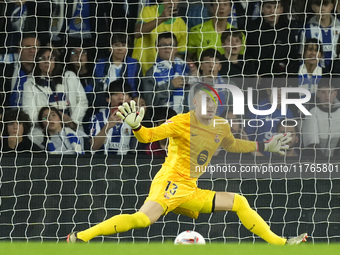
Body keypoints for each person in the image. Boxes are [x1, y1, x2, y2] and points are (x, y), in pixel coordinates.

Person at [67, 82, 307, 245]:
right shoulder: (180, 122)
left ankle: (282, 243)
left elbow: (232, 145)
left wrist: (265, 146)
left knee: (239, 202)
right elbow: (148, 137)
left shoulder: (221, 125)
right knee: (141, 220)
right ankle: (80, 237)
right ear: (194, 103)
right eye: (205, 100)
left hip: (190, 188)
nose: (210, 105)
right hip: (170, 181)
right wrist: (136, 126)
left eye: (214, 101)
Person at [22, 47, 88, 131]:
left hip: (71, 127)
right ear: (37, 62)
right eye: (42, 58)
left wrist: (72, 121)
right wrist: (51, 120)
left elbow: (82, 101)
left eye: (50, 58)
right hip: (44, 130)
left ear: (55, 60)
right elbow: (29, 112)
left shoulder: (69, 76)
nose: (47, 62)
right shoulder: (30, 83)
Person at [132, 0, 187, 74]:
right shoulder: (148, 11)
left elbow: (178, 54)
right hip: (140, 69)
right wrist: (161, 18)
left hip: (165, 75)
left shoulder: (181, 24)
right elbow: (137, 33)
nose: (171, 1)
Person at [245, 0, 299, 75]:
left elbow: (293, 58)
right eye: (268, 7)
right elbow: (246, 56)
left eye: (276, 7)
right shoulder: (251, 29)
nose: (272, 11)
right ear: (262, 9)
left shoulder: (287, 30)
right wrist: (253, 74)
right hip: (257, 78)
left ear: (281, 10)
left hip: (281, 79)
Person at [142, 32, 189, 114]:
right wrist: (171, 85)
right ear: (157, 49)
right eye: (163, 45)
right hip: (161, 118)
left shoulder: (187, 68)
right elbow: (149, 101)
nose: (167, 48)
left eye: (171, 45)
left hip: (185, 118)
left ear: (176, 48)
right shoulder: (151, 72)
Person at [95, 33, 142, 108]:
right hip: (104, 103)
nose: (120, 49)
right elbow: (95, 87)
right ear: (110, 48)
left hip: (128, 103)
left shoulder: (134, 64)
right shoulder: (100, 65)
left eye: (123, 45)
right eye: (116, 45)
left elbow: (140, 88)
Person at [90, 79, 134, 155]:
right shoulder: (98, 117)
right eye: (116, 94)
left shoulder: (134, 119)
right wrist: (108, 126)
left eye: (124, 94)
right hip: (100, 163)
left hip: (126, 164)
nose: (120, 97)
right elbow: (93, 146)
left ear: (130, 99)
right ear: (108, 99)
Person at [302, 78, 340, 157]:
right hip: (317, 161)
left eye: (330, 92)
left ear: (335, 94)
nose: (327, 95)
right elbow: (311, 143)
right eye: (323, 92)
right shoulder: (313, 112)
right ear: (318, 94)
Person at [65, 43, 96, 133]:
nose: (78, 56)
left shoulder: (96, 73)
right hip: (78, 117)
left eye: (82, 52)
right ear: (69, 57)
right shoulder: (66, 77)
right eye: (74, 53)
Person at [300, 0, 340, 68]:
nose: (322, 8)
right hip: (316, 74)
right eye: (319, 5)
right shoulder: (306, 30)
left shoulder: (339, 28)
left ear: (332, 6)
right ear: (313, 7)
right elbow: (301, 56)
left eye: (326, 4)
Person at [4, 34, 40, 107]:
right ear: (19, 50)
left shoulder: (46, 71)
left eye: (35, 47)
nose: (32, 51)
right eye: (27, 47)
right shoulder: (7, 72)